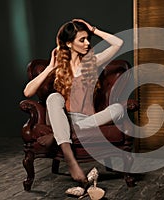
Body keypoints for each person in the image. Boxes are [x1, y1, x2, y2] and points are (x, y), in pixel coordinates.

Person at [23, 19, 124, 185]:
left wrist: (93, 29)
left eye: (87, 39)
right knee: (53, 98)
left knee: (119, 109)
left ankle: (58, 135)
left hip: (85, 121)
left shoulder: (92, 62)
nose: (87, 43)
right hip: (61, 117)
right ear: (69, 43)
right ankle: (70, 160)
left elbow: (118, 43)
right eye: (82, 40)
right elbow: (27, 92)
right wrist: (50, 67)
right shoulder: (59, 66)